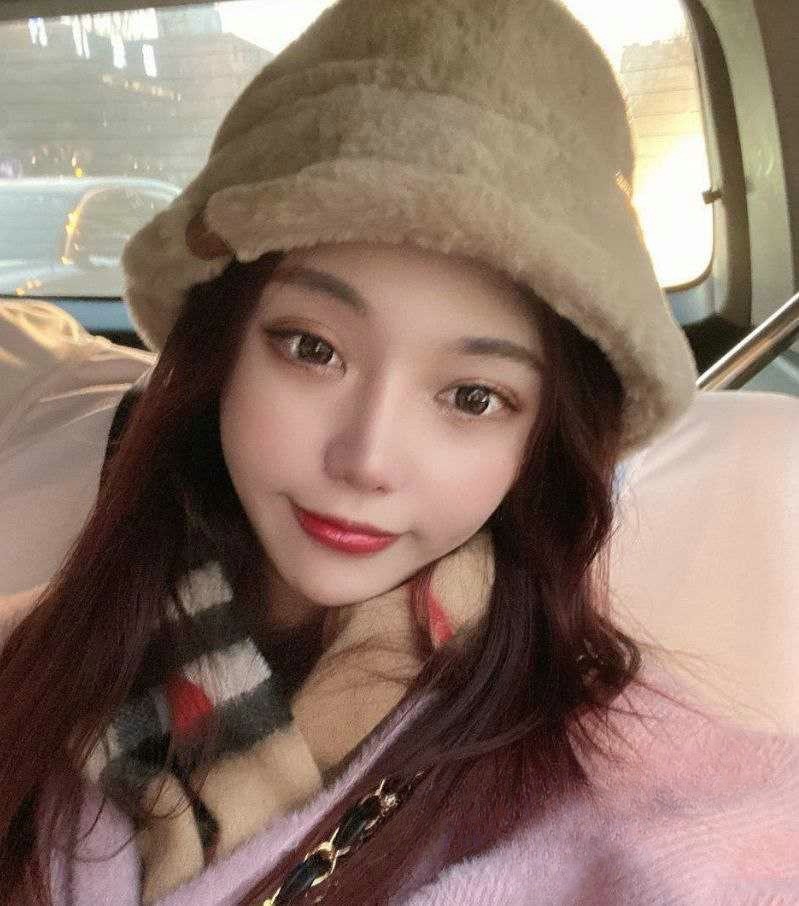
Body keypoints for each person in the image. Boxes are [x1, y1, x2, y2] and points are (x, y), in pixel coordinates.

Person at [0, 0, 797, 904]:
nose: (367, 459)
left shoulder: (644, 799)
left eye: (472, 397)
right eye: (312, 348)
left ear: (539, 439)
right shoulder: (42, 654)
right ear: (221, 348)